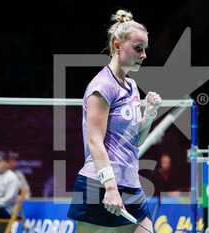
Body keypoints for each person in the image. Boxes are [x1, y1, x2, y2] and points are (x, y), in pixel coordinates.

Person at [67, 9, 161, 233]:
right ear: (117, 46)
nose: (143, 54)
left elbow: (134, 141)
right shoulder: (102, 86)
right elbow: (95, 141)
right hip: (99, 184)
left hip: (130, 183)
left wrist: (148, 115)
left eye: (145, 49)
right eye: (138, 48)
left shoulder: (132, 87)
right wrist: (110, 187)